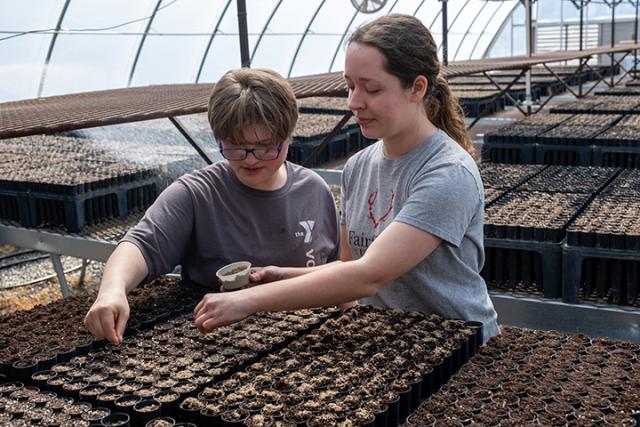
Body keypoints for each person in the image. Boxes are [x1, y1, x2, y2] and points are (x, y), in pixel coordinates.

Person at [193, 14, 499, 343]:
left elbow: (368, 276)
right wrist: (282, 277)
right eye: (350, 85)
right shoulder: (358, 167)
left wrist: (247, 301)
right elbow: (349, 267)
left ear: (417, 88)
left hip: (457, 345)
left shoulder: (448, 172)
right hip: (393, 344)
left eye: (371, 88)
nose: (354, 102)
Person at [84, 68, 341, 345]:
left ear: (288, 138)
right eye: (236, 146)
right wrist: (112, 289)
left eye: (266, 147)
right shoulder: (198, 193)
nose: (251, 159)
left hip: (308, 342)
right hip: (220, 342)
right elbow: (141, 245)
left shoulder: (314, 191)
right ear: (219, 138)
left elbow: (339, 272)